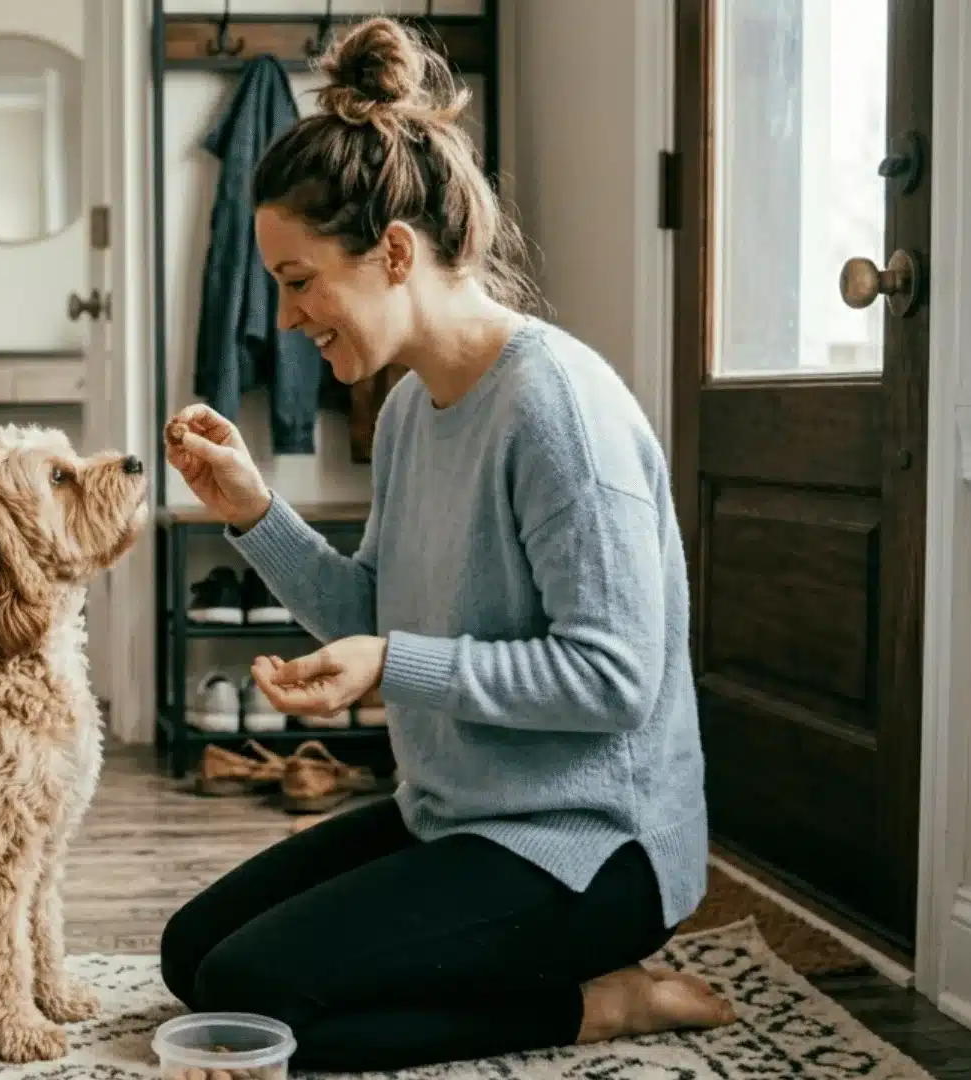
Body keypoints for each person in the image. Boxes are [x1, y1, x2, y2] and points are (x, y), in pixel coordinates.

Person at [157, 14, 736, 1074]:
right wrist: (251, 509)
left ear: (393, 253)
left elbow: (613, 678)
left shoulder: (556, 407)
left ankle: (598, 1005)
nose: (285, 319)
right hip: (460, 816)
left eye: (297, 280)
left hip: (593, 847)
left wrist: (395, 665)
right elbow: (373, 615)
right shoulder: (417, 408)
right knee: (195, 958)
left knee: (259, 1000)